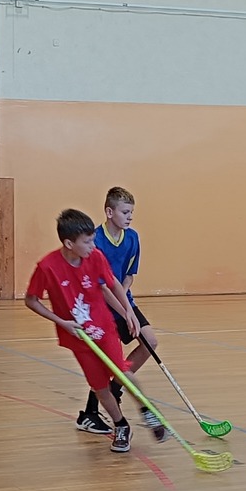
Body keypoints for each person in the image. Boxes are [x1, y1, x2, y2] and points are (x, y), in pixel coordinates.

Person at [24, 208, 144, 455]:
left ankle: (147, 410)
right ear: (69, 243)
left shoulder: (96, 257)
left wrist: (128, 311)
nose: (93, 246)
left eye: (93, 240)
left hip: (103, 327)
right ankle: (121, 425)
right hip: (78, 335)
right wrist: (61, 322)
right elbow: (31, 300)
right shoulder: (47, 267)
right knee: (100, 388)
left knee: (120, 371)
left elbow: (112, 283)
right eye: (87, 242)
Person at [80, 186, 159, 435]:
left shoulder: (132, 237)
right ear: (109, 212)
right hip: (100, 307)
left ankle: (116, 389)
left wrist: (127, 305)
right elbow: (102, 287)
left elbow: (128, 276)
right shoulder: (95, 241)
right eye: (125, 212)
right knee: (107, 361)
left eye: (131, 212)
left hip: (124, 301)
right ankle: (90, 413)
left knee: (150, 342)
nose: (130, 217)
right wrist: (125, 311)